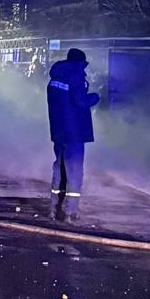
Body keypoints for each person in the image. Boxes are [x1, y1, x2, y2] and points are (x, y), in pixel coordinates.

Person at [46, 47, 100, 222]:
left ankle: (54, 208)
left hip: (58, 131)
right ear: (79, 63)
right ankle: (70, 211)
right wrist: (95, 97)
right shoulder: (76, 76)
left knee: (59, 168)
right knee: (74, 171)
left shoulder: (55, 77)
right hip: (74, 131)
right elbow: (80, 102)